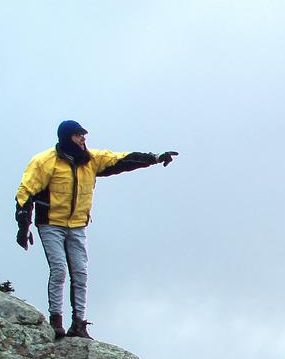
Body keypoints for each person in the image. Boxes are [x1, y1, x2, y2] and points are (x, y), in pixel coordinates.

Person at [15, 120, 178, 339]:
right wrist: (23, 226)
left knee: (80, 273)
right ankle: (56, 321)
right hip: (51, 223)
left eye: (83, 135)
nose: (83, 138)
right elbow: (26, 192)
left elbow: (121, 159)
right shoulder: (45, 162)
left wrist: (155, 158)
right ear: (66, 137)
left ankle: (79, 324)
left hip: (78, 225)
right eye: (78, 135)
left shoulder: (90, 160)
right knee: (59, 270)